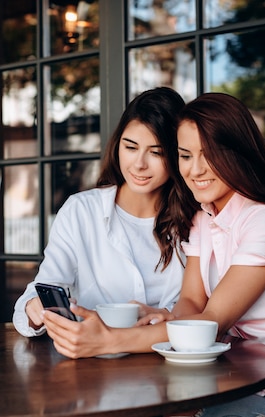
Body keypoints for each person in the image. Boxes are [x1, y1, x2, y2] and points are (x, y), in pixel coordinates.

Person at [43, 93, 265, 417]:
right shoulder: (202, 218)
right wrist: (169, 317)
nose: (196, 170)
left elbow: (211, 321)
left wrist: (107, 341)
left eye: (210, 154)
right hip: (256, 384)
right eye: (186, 155)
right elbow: (191, 303)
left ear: (239, 153)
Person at [12, 87, 198, 337]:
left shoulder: (196, 220)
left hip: (170, 360)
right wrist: (34, 310)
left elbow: (202, 309)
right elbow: (45, 287)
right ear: (117, 144)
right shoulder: (81, 211)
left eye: (156, 152)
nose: (139, 164)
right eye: (130, 147)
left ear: (177, 156)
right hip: (92, 362)